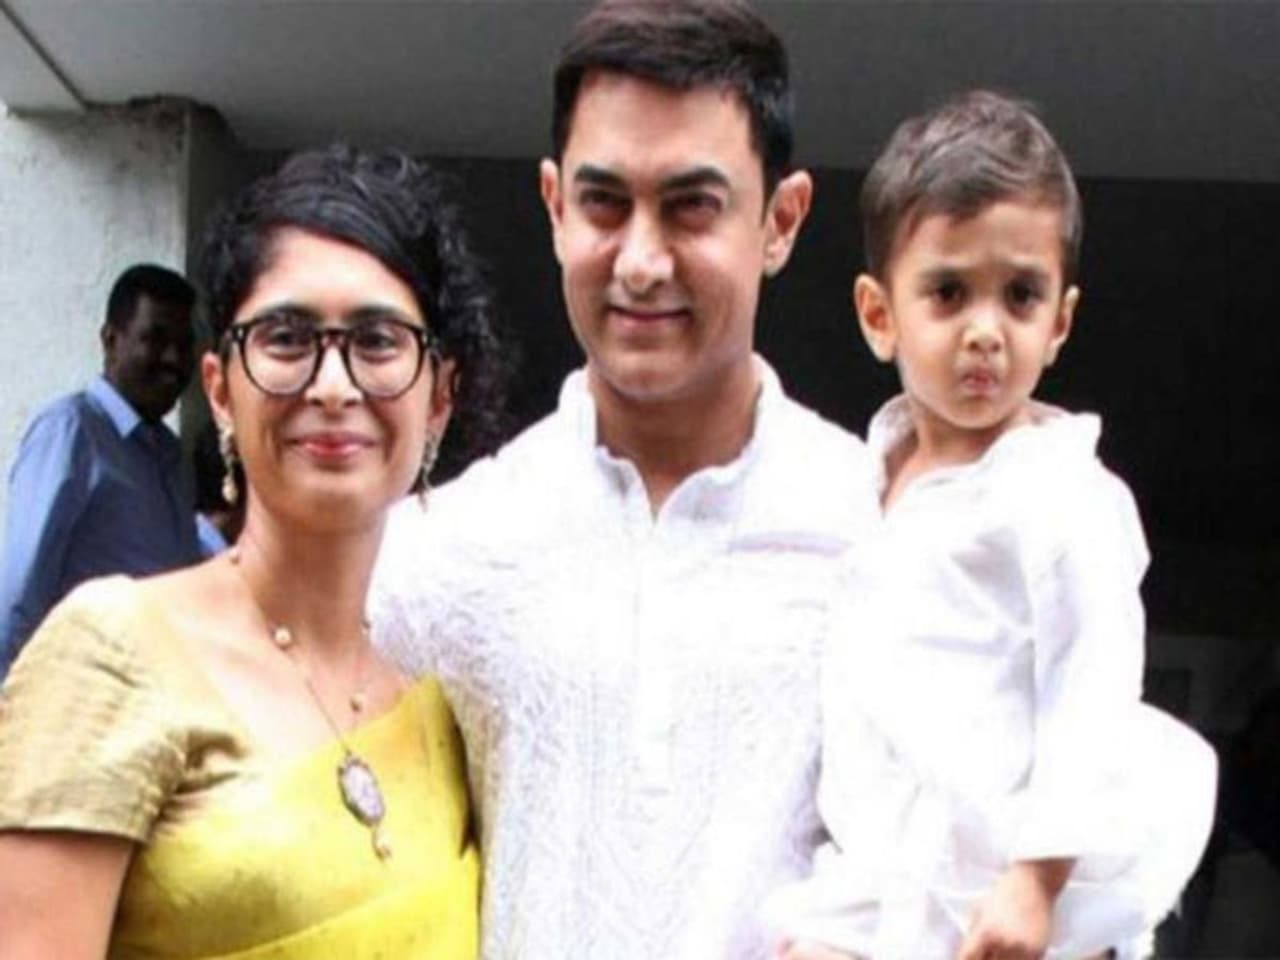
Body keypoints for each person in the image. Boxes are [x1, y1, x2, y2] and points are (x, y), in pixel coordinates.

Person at [371, 1, 878, 956]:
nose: (642, 263)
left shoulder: (881, 529)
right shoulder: (439, 553)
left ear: (781, 221)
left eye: (692, 207)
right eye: (605, 203)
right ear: (555, 208)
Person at [0, 145, 501, 959]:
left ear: (439, 397)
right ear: (221, 388)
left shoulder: (437, 703)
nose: (332, 385)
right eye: (287, 337)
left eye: (379, 340)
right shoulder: (112, 656)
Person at [768, 91, 1218, 960]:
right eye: (948, 293)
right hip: (883, 875)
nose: (985, 331)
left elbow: (1092, 690)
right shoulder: (865, 479)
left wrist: (1037, 878)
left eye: (1020, 296)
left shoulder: (1059, 492)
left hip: (1002, 886)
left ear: (1059, 323)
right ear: (879, 315)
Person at [0, 264, 201, 679]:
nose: (173, 360)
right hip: (76, 690)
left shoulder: (170, 457)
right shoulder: (71, 432)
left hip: (151, 694)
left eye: (184, 345)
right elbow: (21, 588)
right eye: (155, 339)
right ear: (111, 340)